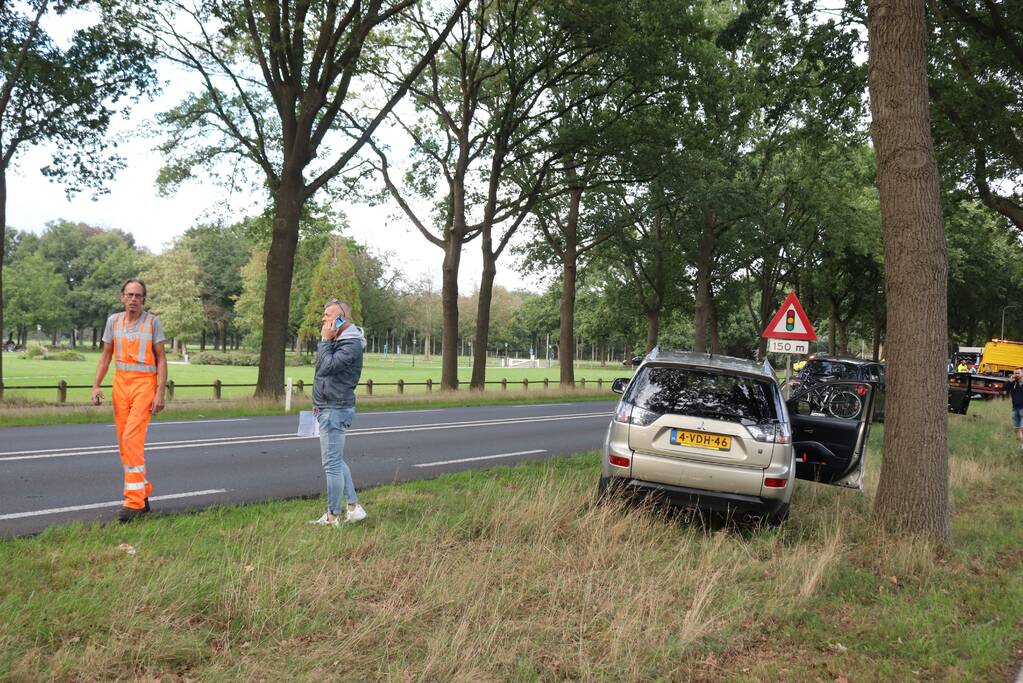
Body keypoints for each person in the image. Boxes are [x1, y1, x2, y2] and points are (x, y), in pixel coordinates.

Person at [91, 278, 168, 522]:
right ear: (122, 297)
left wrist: (160, 392)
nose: (133, 299)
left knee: (131, 438)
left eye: (138, 295)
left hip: (145, 385)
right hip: (120, 385)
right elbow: (105, 357)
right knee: (124, 444)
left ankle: (133, 503)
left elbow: (162, 359)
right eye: (129, 295)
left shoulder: (153, 322)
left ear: (144, 299)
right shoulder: (113, 321)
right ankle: (142, 493)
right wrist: (96, 385)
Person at [310, 299, 368, 526]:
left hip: (336, 408)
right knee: (335, 461)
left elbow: (326, 367)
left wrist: (325, 339)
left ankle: (333, 516)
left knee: (331, 465)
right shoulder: (338, 340)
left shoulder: (350, 344)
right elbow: (322, 375)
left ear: (342, 318)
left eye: (329, 315)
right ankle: (353, 507)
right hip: (327, 405)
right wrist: (317, 401)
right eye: (324, 314)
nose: (324, 319)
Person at [1008, 367, 1023, 451]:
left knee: (1022, 428)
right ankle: (1021, 446)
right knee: (1016, 430)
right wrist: (1009, 380)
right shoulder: (1013, 383)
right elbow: (1004, 388)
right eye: (1015, 373)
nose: (1016, 375)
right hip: (1015, 409)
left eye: (1018, 373)